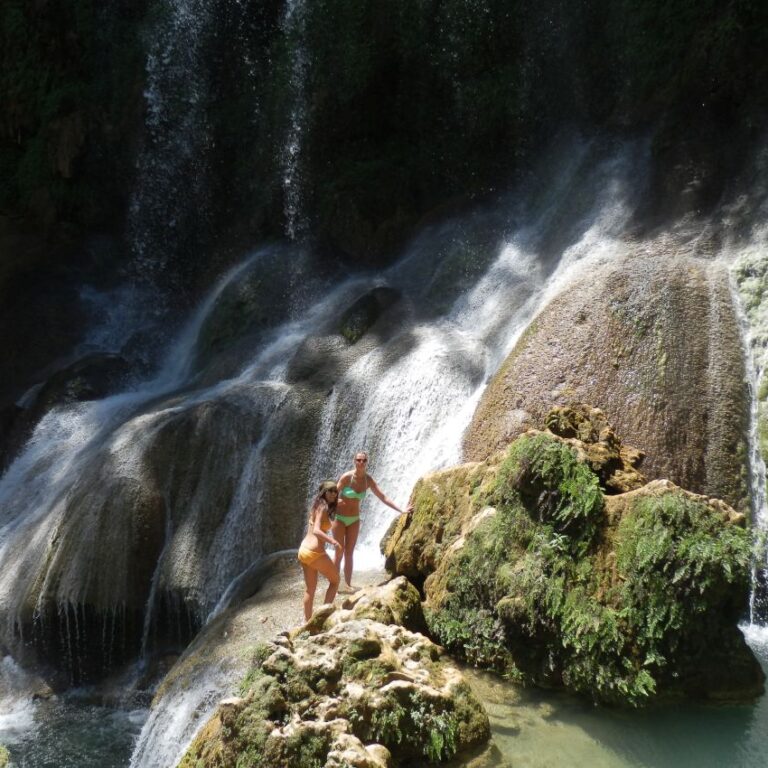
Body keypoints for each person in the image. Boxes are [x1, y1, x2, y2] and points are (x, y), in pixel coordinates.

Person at [333, 451, 413, 593]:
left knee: (349, 553)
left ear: (367, 462)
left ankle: (347, 584)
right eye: (358, 460)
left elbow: (383, 497)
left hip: (354, 520)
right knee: (339, 552)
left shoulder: (368, 480)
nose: (361, 463)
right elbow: (331, 494)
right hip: (339, 519)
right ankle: (333, 583)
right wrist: (334, 503)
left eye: (364, 460)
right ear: (354, 461)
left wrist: (401, 510)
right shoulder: (346, 477)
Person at [298, 480, 342, 620]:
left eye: (335, 491)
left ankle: (308, 625)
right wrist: (333, 541)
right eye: (330, 491)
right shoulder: (323, 507)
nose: (334, 494)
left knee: (310, 590)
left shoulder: (316, 505)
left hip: (303, 550)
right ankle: (322, 618)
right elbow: (317, 530)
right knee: (335, 581)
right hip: (314, 552)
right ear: (324, 492)